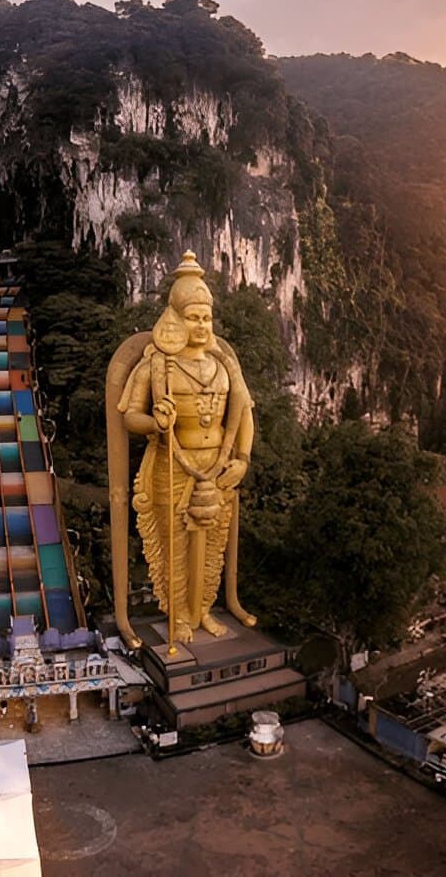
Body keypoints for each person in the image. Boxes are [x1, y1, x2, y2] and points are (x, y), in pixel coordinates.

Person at [116, 252, 255, 644]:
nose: (200, 325)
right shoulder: (157, 366)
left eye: (206, 318)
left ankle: (204, 610)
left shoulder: (225, 364)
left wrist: (242, 458)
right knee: (174, 544)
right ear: (175, 318)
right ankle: (178, 616)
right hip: (171, 465)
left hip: (218, 464)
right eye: (192, 317)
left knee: (212, 545)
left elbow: (243, 414)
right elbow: (129, 416)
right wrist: (157, 422)